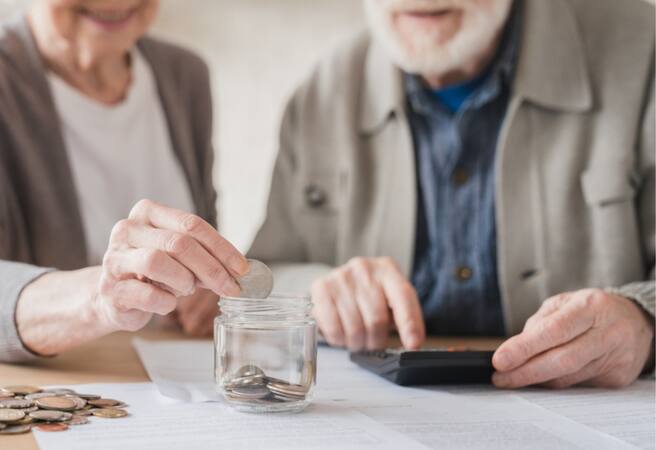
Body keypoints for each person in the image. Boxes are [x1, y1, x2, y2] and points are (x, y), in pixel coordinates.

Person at [249, 0, 655, 389]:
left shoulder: (643, 50)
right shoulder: (323, 93)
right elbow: (262, 279)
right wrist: (319, 291)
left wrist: (642, 320)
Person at [0, 0, 247, 363]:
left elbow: (204, 244)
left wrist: (205, 286)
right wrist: (100, 299)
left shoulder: (185, 75)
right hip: (60, 388)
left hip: (174, 383)